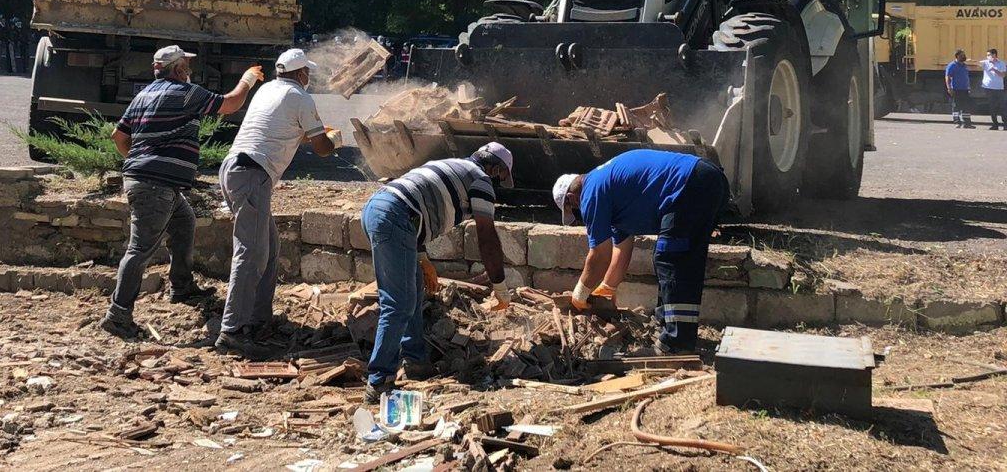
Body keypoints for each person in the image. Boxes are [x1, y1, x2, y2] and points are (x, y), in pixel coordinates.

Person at [100, 45, 263, 340]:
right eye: (186, 66)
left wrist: (138, 163)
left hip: (153, 183)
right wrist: (248, 79)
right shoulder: (185, 92)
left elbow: (118, 136)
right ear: (177, 70)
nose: (190, 70)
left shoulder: (143, 95)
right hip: (155, 185)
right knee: (139, 250)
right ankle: (117, 314)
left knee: (184, 223)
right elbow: (230, 104)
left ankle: (181, 286)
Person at [361, 143, 515, 404]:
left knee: (413, 288)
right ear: (494, 167)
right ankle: (379, 381)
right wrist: (499, 285)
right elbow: (487, 237)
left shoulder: (449, 164)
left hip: (378, 207)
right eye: (500, 175)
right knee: (398, 304)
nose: (497, 182)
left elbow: (415, 201)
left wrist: (421, 257)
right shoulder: (480, 180)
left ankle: (416, 360)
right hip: (395, 217)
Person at [216, 48, 341, 353]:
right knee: (251, 254)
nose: (308, 77)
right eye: (307, 73)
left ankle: (258, 320)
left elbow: (281, 130)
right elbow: (322, 148)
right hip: (251, 174)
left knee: (268, 249)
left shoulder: (268, 90)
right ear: (300, 74)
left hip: (233, 169)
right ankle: (232, 330)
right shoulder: (300, 97)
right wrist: (335, 139)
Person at [552, 149, 729, 355]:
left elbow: (599, 255)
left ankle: (676, 344)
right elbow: (621, 249)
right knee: (681, 259)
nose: (578, 212)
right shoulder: (610, 191)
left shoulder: (592, 192)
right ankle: (671, 329)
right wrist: (607, 288)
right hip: (708, 179)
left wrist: (580, 293)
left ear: (572, 198)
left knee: (671, 258)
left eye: (573, 208)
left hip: (689, 184)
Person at [946, 49, 974, 129]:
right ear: (957, 56)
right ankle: (957, 122)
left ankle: (967, 123)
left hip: (965, 89)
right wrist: (949, 88)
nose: (964, 56)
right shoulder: (952, 65)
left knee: (966, 106)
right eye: (962, 55)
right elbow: (947, 77)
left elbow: (966, 77)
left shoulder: (964, 65)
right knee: (956, 106)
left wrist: (968, 87)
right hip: (956, 89)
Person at [980, 48, 1006, 130]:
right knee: (992, 107)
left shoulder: (1001, 63)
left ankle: (1005, 124)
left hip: (999, 88)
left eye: (989, 55)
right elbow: (977, 63)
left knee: (1003, 107)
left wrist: (994, 69)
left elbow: (1003, 75)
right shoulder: (985, 63)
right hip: (989, 88)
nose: (987, 57)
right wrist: (971, 60)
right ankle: (995, 124)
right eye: (987, 55)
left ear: (994, 55)